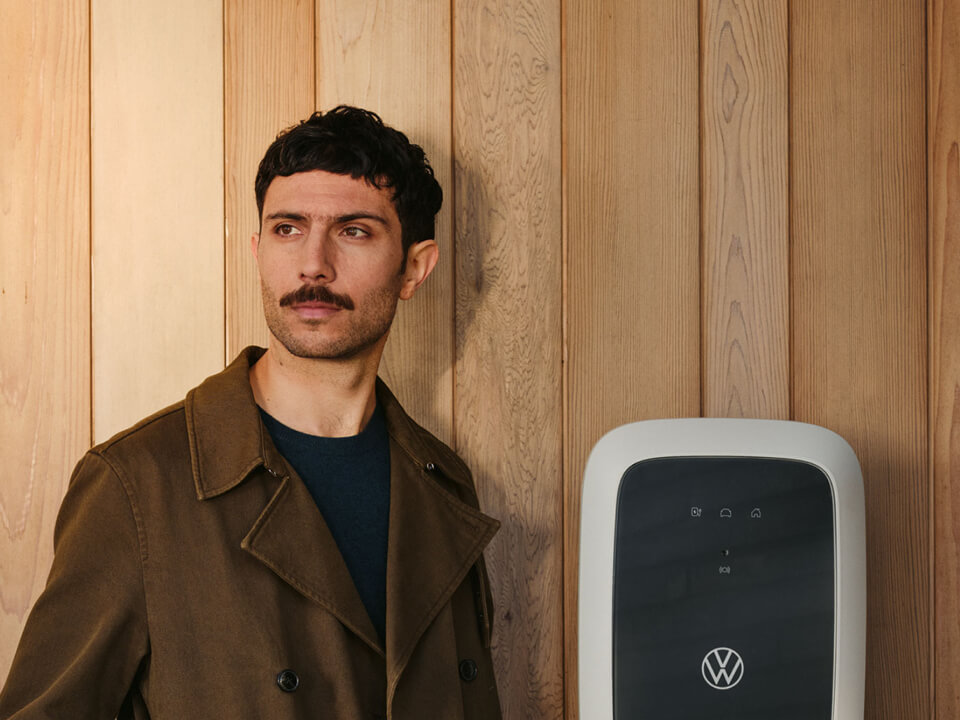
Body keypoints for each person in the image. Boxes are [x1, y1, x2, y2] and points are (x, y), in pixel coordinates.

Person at [0, 106, 502, 719]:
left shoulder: (444, 485)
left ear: (414, 268)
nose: (313, 263)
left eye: (354, 231)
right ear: (258, 247)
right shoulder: (138, 486)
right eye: (288, 229)